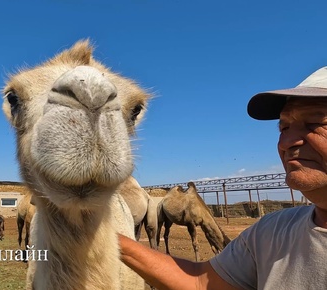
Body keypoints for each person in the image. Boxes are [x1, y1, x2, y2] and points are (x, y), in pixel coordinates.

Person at [119, 66, 327, 290]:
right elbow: (200, 283)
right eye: (284, 127)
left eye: (315, 124)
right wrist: (107, 236)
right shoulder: (270, 233)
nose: (286, 142)